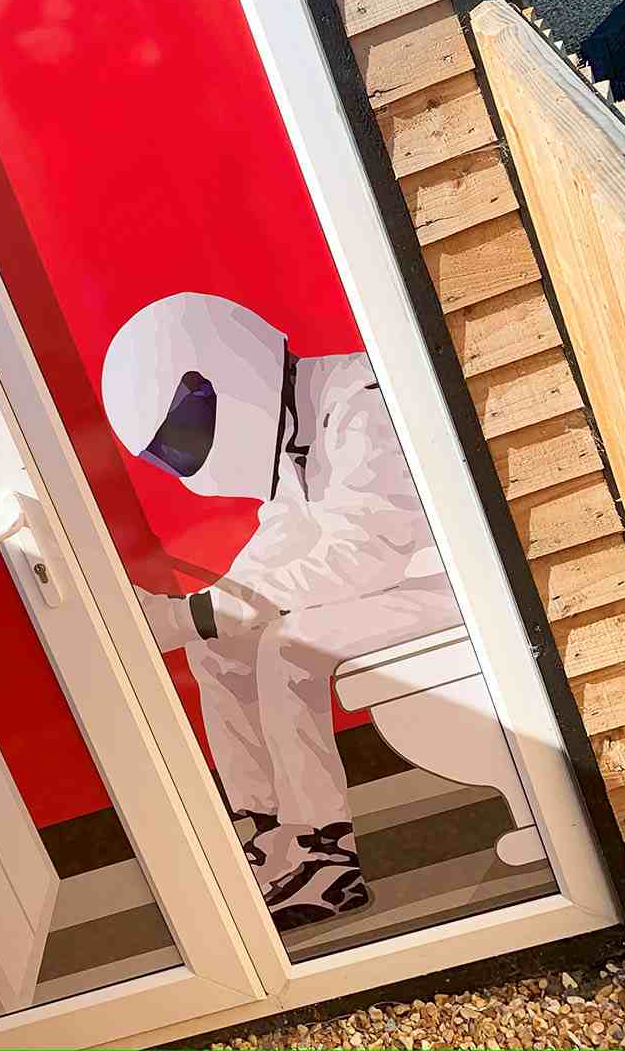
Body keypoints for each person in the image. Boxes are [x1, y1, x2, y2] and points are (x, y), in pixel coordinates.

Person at [101, 292, 463, 931]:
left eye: (183, 434)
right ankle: (266, 835)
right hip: (397, 581)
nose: (185, 455)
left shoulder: (359, 401)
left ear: (221, 373)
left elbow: (366, 550)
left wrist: (196, 613)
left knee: (289, 648)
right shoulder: (296, 433)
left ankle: (326, 856)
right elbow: (283, 542)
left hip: (448, 579)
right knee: (218, 650)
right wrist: (194, 614)